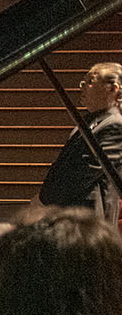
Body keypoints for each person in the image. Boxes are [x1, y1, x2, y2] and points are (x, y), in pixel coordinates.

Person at [37, 61, 122, 224]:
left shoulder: (115, 125)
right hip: (71, 216)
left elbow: (82, 175)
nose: (81, 86)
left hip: (89, 222)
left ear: (113, 89)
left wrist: (44, 202)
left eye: (90, 81)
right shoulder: (90, 121)